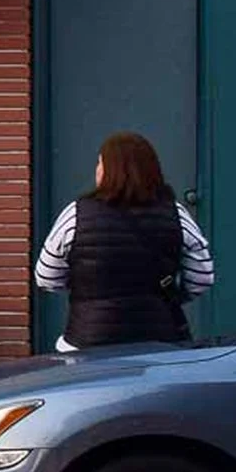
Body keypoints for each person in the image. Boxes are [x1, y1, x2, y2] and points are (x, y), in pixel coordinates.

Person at [35, 131, 214, 350]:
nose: (97, 169)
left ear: (109, 171)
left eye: (100, 163)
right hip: (159, 342)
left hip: (87, 341)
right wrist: (171, 297)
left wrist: (87, 290)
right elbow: (202, 277)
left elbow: (45, 276)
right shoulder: (176, 213)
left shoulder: (75, 214)